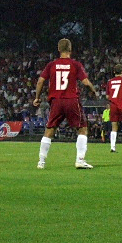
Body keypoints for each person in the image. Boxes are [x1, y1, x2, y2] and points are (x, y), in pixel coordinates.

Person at [33, 38, 98, 169]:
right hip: (71, 100)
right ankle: (80, 160)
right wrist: (93, 91)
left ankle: (41, 162)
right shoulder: (75, 64)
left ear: (58, 49)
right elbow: (85, 82)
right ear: (70, 49)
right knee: (82, 128)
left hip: (56, 101)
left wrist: (37, 97)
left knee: (50, 130)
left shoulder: (51, 65)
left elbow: (40, 81)